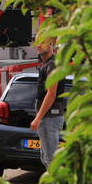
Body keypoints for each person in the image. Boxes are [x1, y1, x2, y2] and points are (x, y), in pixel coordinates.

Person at [30, 38, 67, 168]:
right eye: (36, 43)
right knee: (46, 158)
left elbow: (51, 94)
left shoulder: (53, 65)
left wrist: (38, 118)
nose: (38, 45)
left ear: (51, 44)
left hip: (50, 117)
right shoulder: (47, 64)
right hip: (47, 117)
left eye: (42, 42)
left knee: (51, 160)